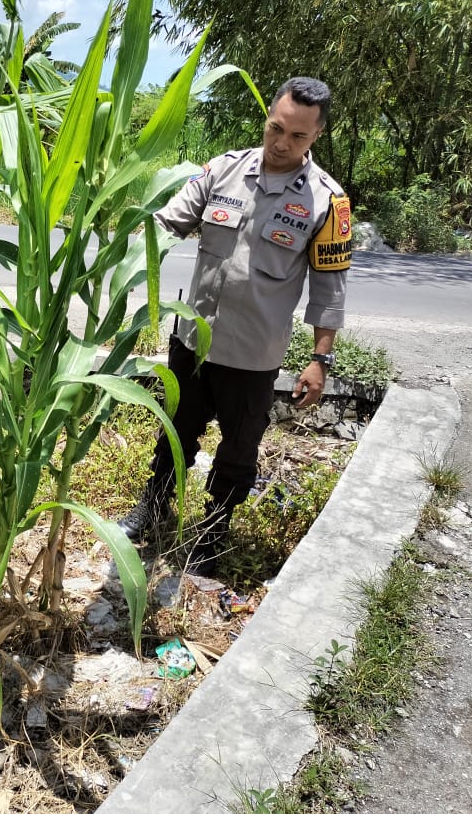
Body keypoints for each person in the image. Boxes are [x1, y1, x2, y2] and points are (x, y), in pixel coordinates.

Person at [122, 76, 352, 576]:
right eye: (277, 128)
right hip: (194, 342)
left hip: (253, 355)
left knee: (238, 450)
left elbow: (330, 288)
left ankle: (213, 533)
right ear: (268, 116)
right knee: (174, 434)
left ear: (316, 136)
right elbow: (167, 222)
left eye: (298, 137)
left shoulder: (326, 201)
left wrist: (320, 359)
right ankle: (153, 508)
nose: (282, 143)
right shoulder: (223, 170)